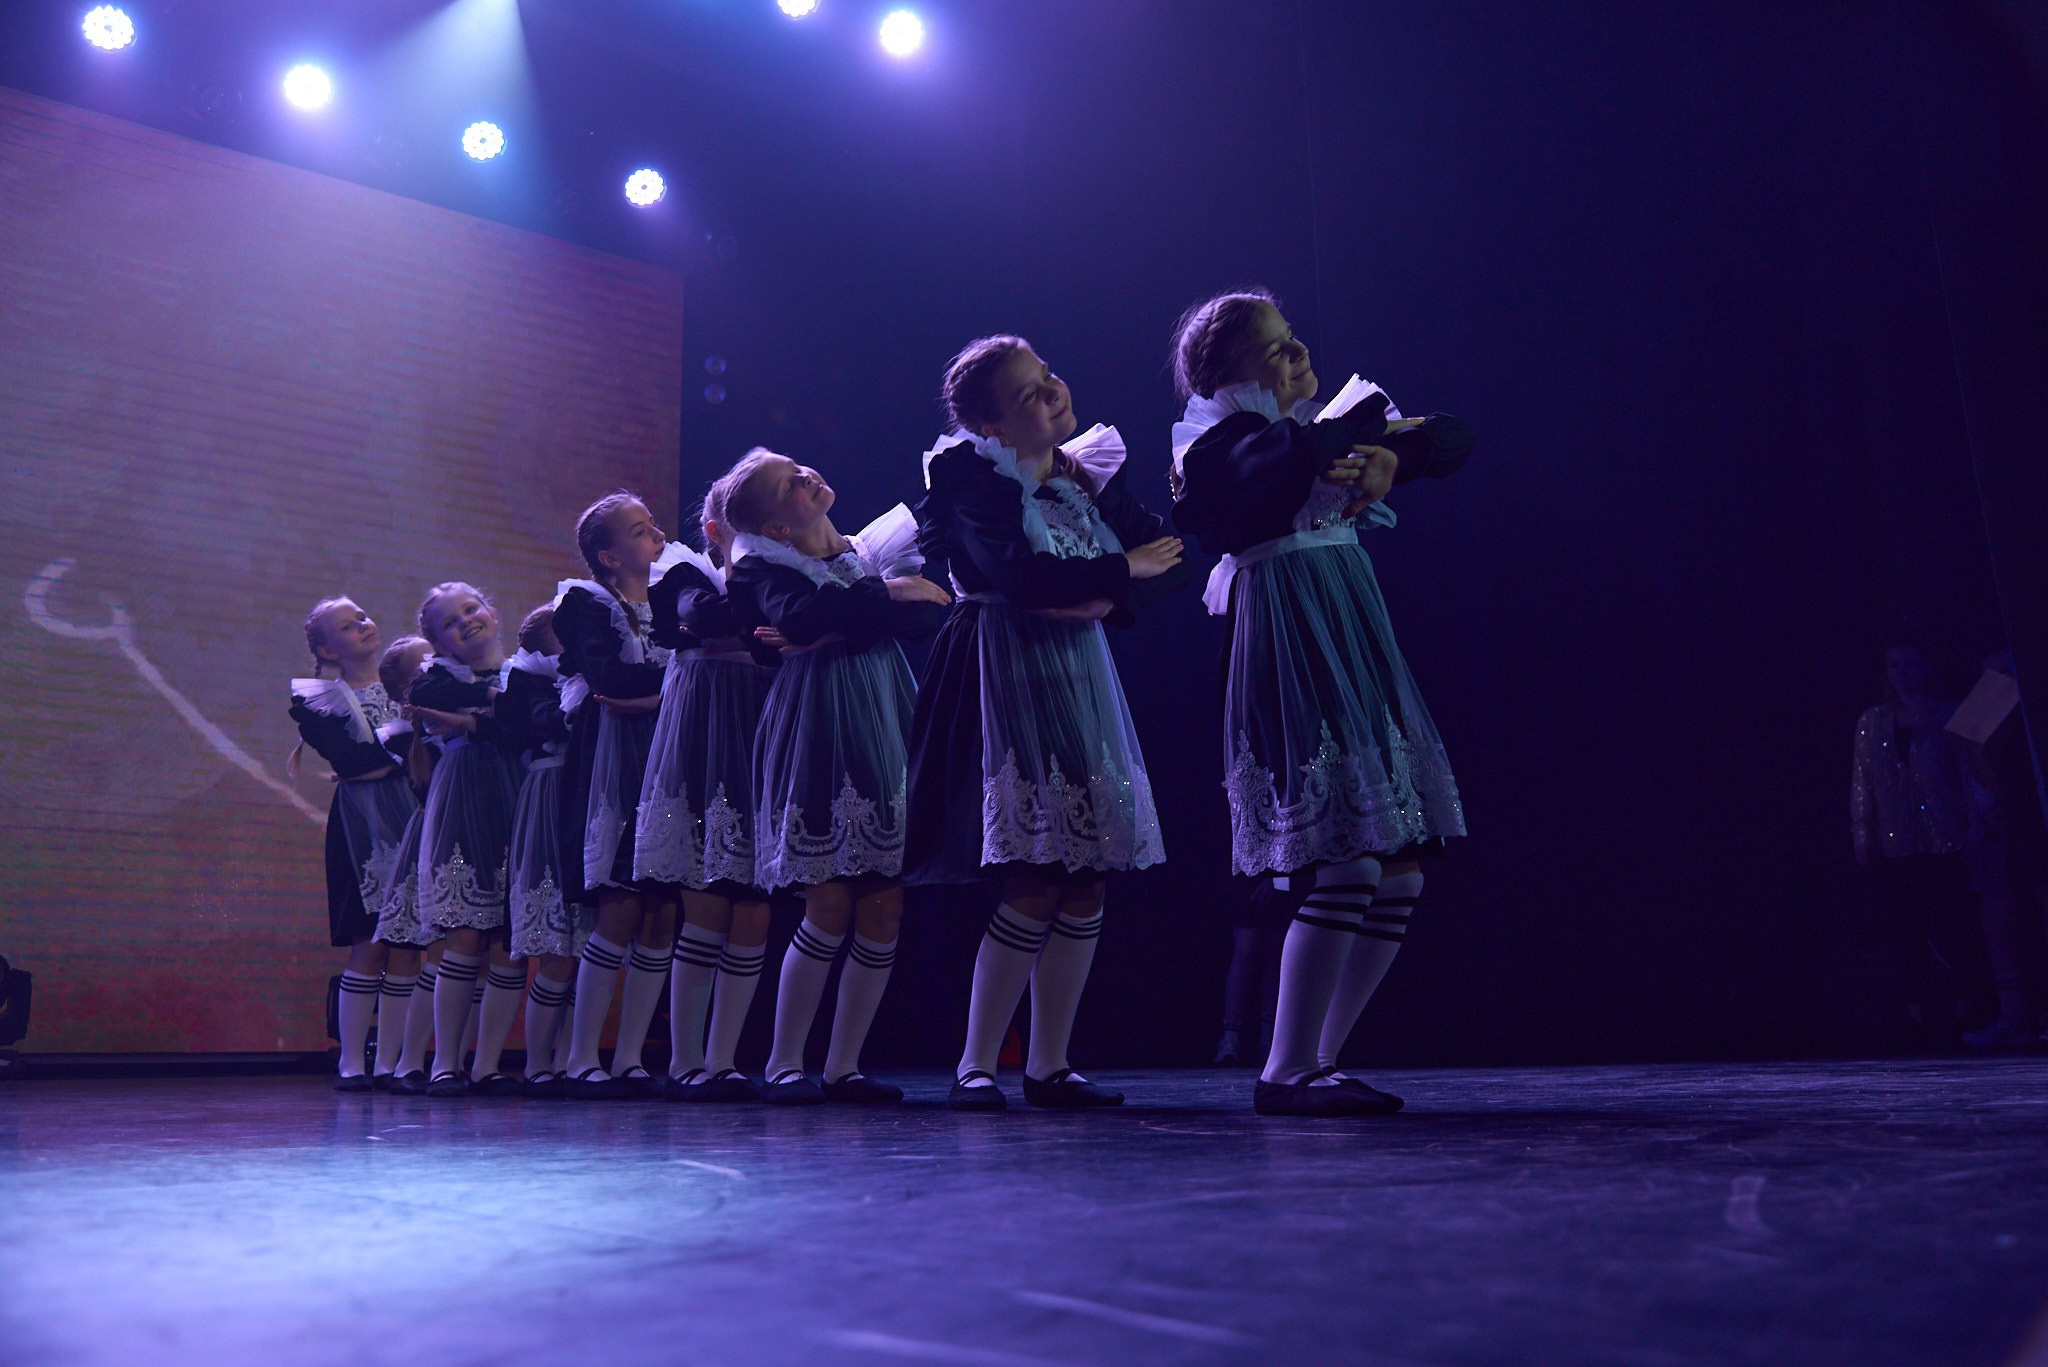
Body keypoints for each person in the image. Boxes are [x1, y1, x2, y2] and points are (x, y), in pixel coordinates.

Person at [1170, 288, 1470, 1115]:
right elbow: (1262, 475)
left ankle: (1320, 1058)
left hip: (1351, 621)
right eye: (1273, 348)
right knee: (1348, 857)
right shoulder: (1219, 445)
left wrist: (1394, 460)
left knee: (1400, 869)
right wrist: (1374, 440)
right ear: (1224, 375)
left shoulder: (1305, 430)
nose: (1296, 353)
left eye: (1293, 338)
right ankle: (1285, 1068)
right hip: (1293, 628)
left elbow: (1453, 434)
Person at [907, 334, 1185, 1111]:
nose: (1053, 391)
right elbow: (1016, 576)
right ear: (992, 426)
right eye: (1030, 392)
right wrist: (1117, 574)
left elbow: (1167, 552)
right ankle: (976, 1061)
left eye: (1049, 376)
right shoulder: (968, 477)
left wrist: (1102, 593)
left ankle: (1052, 1062)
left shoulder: (1082, 472)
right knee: (1034, 875)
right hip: (1005, 673)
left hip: (1077, 671)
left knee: (1087, 877)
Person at [716, 448, 949, 1103]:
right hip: (820, 716)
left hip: (883, 711)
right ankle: (787, 1059)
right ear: (777, 527)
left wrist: (865, 606)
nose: (806, 475)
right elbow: (798, 619)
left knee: (884, 899)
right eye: (788, 484)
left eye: (800, 467)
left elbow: (931, 610)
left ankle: (845, 1063)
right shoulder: (762, 564)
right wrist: (882, 601)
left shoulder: (865, 552)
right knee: (829, 898)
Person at [288, 597, 420, 1090]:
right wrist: (395, 757)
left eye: (364, 616)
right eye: (347, 626)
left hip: (413, 816)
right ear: (327, 648)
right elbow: (354, 758)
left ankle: (392, 1061)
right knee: (371, 940)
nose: (363, 625)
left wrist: (391, 759)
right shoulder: (319, 698)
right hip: (362, 826)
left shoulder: (408, 685)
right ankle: (351, 1061)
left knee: (409, 942)